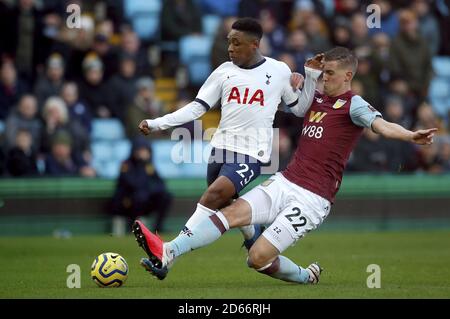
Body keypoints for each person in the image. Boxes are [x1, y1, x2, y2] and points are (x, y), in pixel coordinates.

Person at [134, 47, 436, 283]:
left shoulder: (353, 104)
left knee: (256, 258)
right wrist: (302, 77)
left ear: (347, 76)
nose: (325, 77)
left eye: (330, 73)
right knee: (229, 212)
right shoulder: (315, 97)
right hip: (285, 180)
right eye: (324, 72)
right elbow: (293, 102)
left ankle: (306, 275)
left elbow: (382, 126)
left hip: (313, 198)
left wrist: (411, 135)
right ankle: (170, 251)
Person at [137, 18, 322, 250]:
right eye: (229, 42)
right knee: (225, 203)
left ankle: (168, 251)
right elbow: (197, 108)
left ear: (254, 44)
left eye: (236, 43)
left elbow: (299, 109)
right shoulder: (223, 72)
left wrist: (311, 78)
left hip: (252, 153)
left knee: (213, 195)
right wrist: (157, 123)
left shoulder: (278, 71)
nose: (230, 48)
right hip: (220, 149)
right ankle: (253, 237)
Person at [111, 137, 172, 233]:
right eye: (142, 150)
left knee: (165, 196)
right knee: (140, 195)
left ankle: (158, 228)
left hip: (145, 200)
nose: (144, 153)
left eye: (146, 150)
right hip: (127, 201)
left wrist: (153, 190)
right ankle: (134, 227)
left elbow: (160, 184)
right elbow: (131, 183)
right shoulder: (126, 165)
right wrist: (141, 164)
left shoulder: (149, 165)